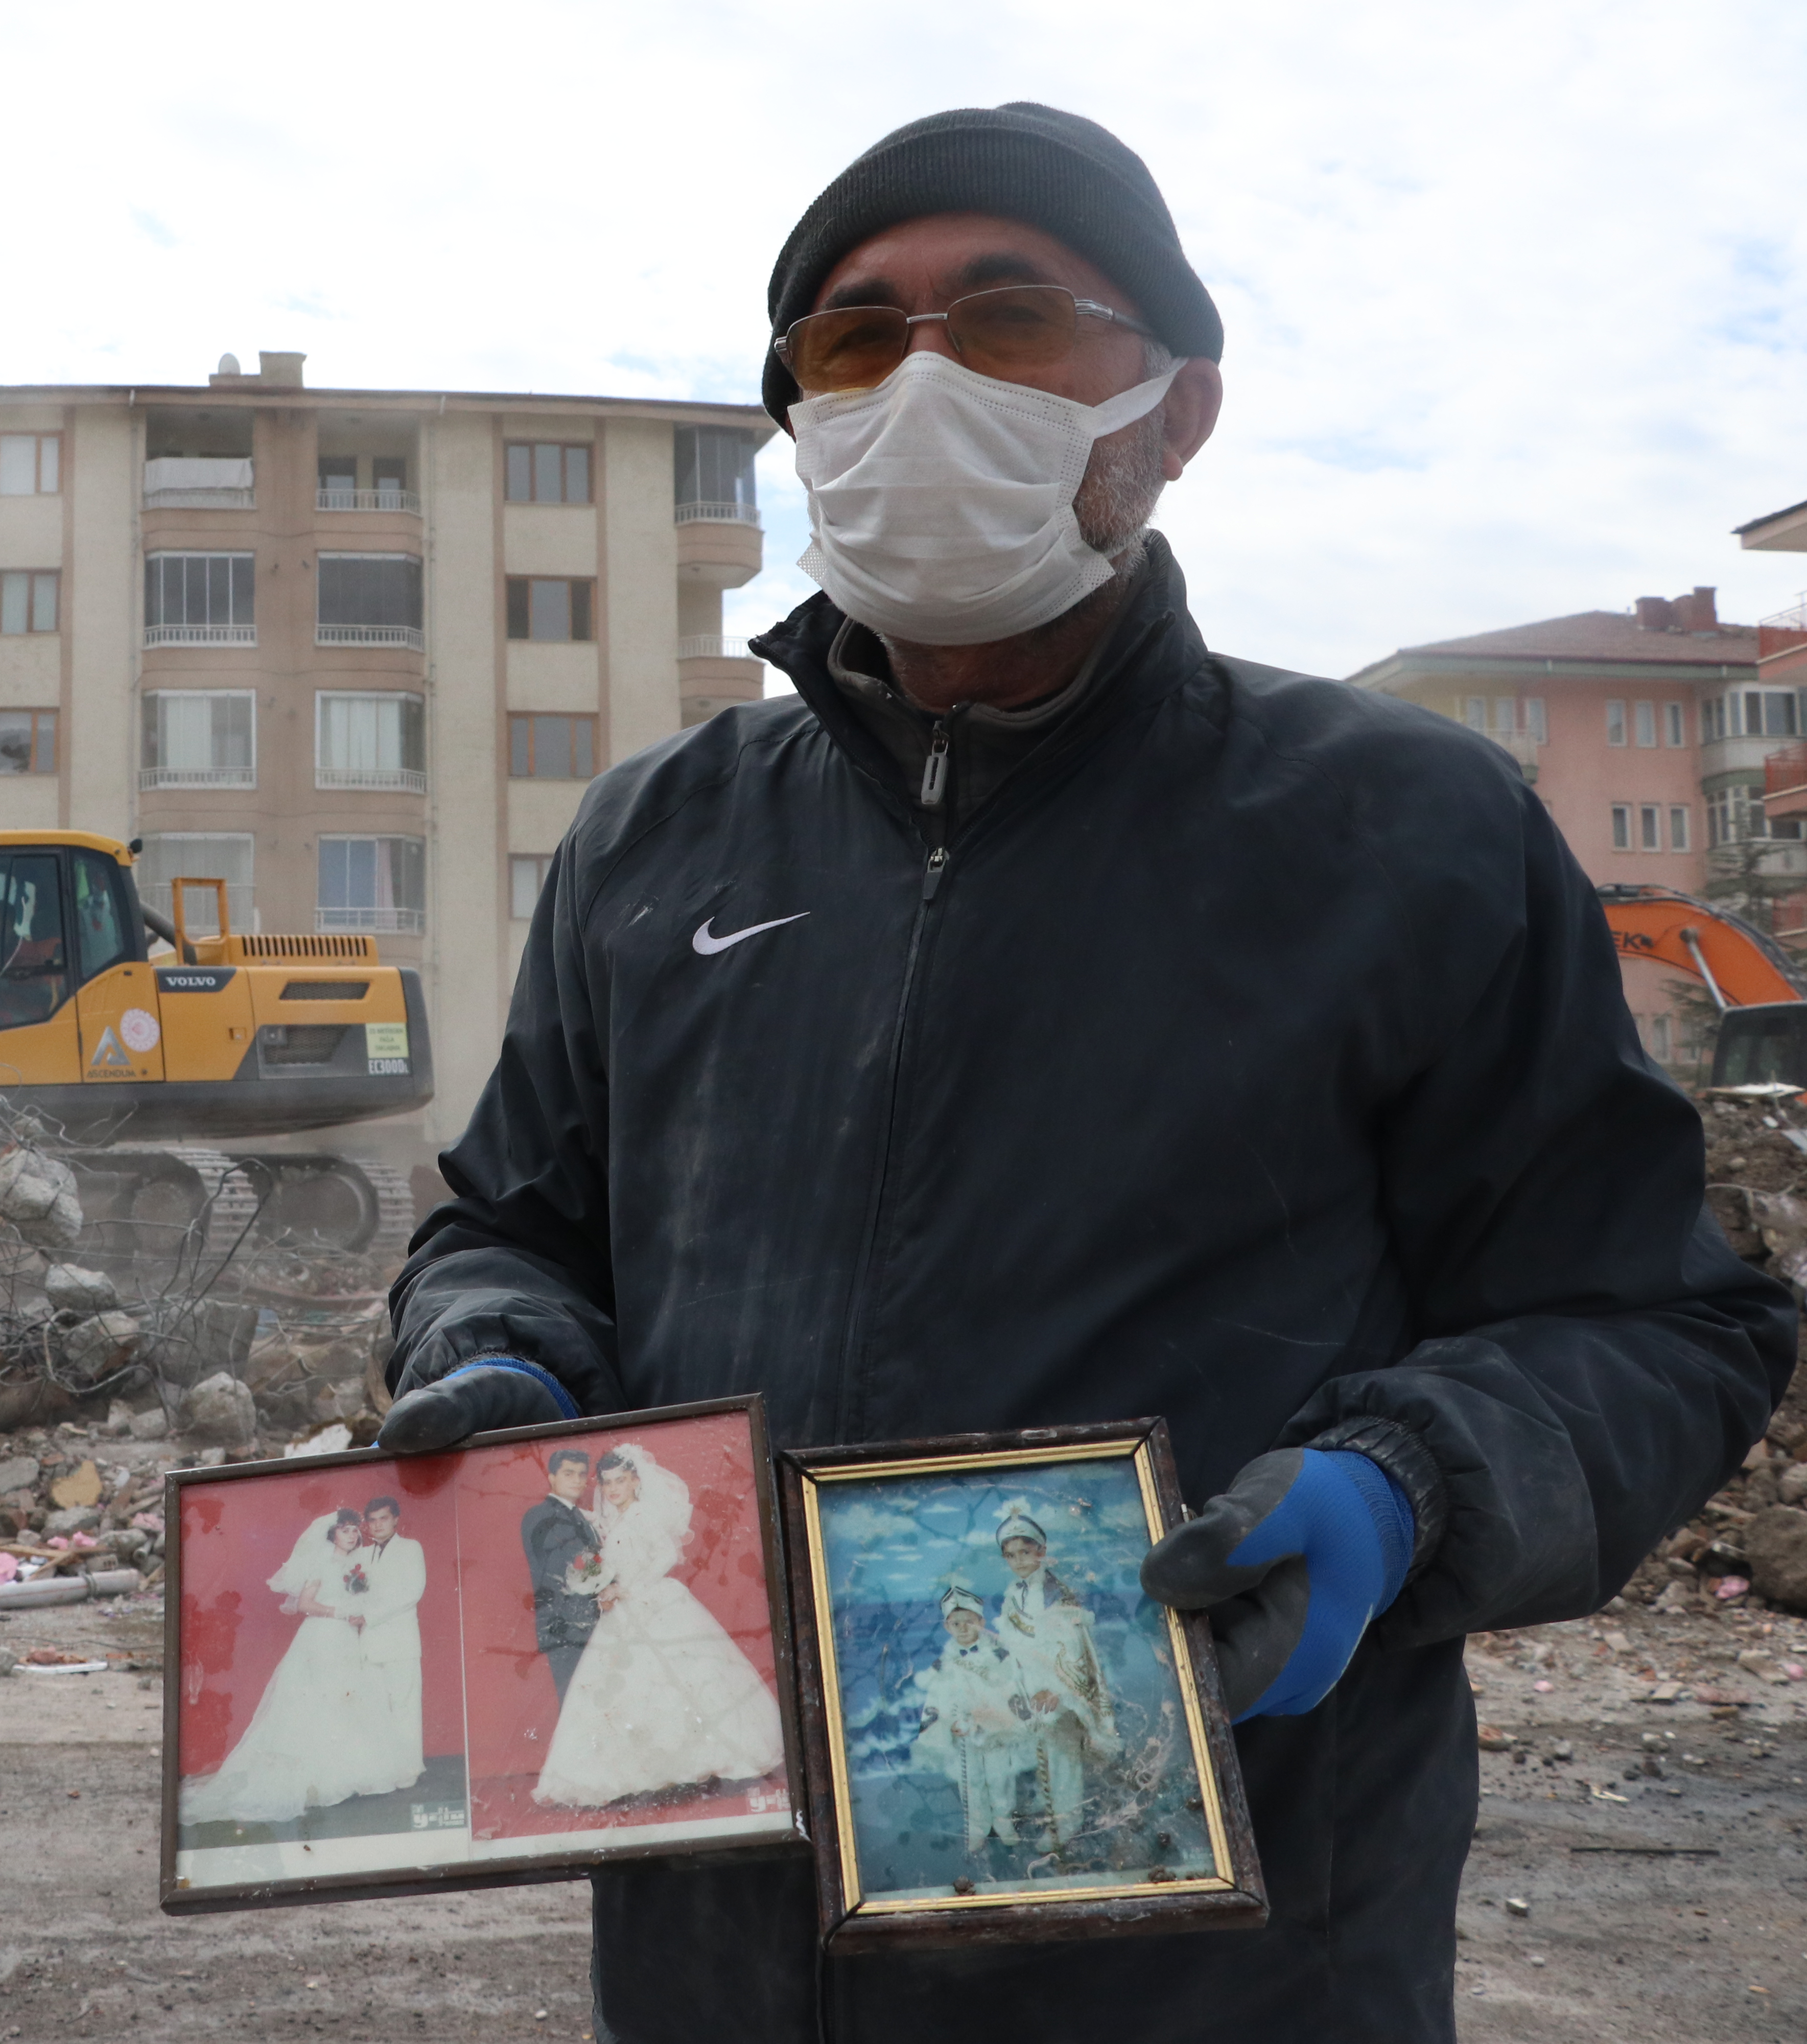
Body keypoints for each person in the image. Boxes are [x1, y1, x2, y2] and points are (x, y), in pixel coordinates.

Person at [375, 101, 1792, 2038]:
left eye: (1009, 317)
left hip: (1236, 1945)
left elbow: (1653, 1326)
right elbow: (512, 1223)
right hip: (721, 1932)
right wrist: (495, 1356)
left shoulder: (1404, 828)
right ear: (798, 419)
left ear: (1176, 409)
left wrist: (1403, 1486)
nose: (922, 379)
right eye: (855, 342)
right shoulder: (657, 839)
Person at [532, 1447, 789, 1809]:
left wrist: (629, 1588)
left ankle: (697, 1763)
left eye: (621, 1481)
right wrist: (601, 1585)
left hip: (655, 1602)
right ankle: (643, 1773)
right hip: (622, 1609)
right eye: (607, 1483)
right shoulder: (611, 1522)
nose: (613, 1489)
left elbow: (667, 1555)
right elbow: (608, 1564)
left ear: (636, 1481)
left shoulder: (641, 1515)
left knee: (674, 1680)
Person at [177, 1509, 413, 1825]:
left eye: (355, 1530)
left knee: (347, 1697)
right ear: (332, 1535)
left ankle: (343, 1771)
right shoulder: (322, 1562)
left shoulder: (356, 1564)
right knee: (318, 1698)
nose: (352, 1535)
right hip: (321, 1637)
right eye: (345, 1530)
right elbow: (304, 1604)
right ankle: (314, 1777)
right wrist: (340, 1612)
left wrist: (358, 1610)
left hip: (347, 1639)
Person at [991, 1506, 1116, 1857]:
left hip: (1057, 1692)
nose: (1018, 1561)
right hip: (1026, 1685)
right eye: (1011, 1556)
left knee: (1063, 1759)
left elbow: (1071, 1651)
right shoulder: (1014, 1594)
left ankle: (1067, 1825)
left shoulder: (1056, 1596)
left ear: (1042, 1552)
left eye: (1025, 1553)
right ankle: (1039, 1816)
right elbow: (1012, 1644)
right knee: (1031, 1754)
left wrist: (1056, 1690)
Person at [908, 1585, 1028, 1869]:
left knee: (1000, 1779)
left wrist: (1002, 1719)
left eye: (970, 1622)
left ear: (982, 1624)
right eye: (956, 1623)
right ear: (947, 1626)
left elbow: (1012, 1691)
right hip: (964, 1735)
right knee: (971, 1783)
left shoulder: (998, 1658)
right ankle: (978, 1829)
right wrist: (947, 1723)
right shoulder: (945, 1664)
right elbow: (936, 1697)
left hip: (994, 1732)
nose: (963, 1629)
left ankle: (1003, 1823)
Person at [345, 1498, 429, 1792]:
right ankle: (382, 1768)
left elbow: (412, 1591)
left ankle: (408, 1769)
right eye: (372, 1520)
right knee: (374, 1708)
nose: (377, 1525)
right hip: (369, 1644)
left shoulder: (411, 1549)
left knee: (404, 1706)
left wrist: (368, 1615)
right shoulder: (361, 1554)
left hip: (400, 1642)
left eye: (383, 1519)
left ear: (396, 1520)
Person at [522, 1447, 604, 1700]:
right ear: (552, 1478)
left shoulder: (579, 1516)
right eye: (569, 1474)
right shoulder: (541, 1515)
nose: (578, 1481)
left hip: (586, 1624)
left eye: (582, 1475)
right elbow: (574, 1564)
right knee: (573, 1701)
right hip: (564, 1627)